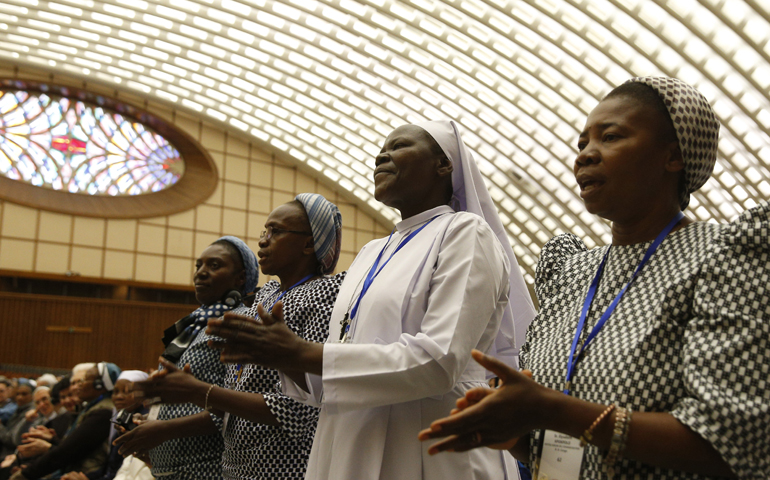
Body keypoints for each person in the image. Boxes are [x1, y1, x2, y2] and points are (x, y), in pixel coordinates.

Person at [419, 77, 770, 479]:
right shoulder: (574, 272)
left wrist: (553, 409)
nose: (585, 155)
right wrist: (510, 430)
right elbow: (559, 444)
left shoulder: (725, 258)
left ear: (673, 156)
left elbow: (732, 441)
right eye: (582, 143)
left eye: (611, 137)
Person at [207, 120, 536, 479]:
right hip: (350, 441)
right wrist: (282, 356)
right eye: (382, 149)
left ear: (444, 165)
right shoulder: (370, 252)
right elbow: (330, 380)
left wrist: (303, 352)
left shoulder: (465, 233)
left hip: (430, 442)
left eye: (399, 146)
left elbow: (440, 361)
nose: (382, 155)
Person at [129, 194, 346, 480]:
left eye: (276, 232)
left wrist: (200, 392)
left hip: (283, 468)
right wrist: (185, 393)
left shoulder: (324, 296)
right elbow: (236, 395)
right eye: (264, 231)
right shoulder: (266, 296)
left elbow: (301, 411)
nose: (263, 240)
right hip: (235, 466)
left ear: (309, 244)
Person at [113, 236, 258, 480]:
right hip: (172, 469)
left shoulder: (237, 322)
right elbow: (187, 397)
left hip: (206, 469)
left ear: (240, 277)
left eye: (214, 265)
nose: (200, 273)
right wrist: (150, 419)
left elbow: (236, 407)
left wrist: (165, 429)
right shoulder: (194, 324)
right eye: (198, 265)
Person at [11, 363, 121, 480]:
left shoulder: (103, 412)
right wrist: (52, 440)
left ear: (99, 385)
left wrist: (24, 475)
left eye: (84, 380)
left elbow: (68, 452)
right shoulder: (93, 408)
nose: (79, 386)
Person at [60, 370, 150, 480]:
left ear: (143, 394)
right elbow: (110, 468)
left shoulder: (142, 425)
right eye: (115, 392)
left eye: (127, 391)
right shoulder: (121, 420)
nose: (119, 397)